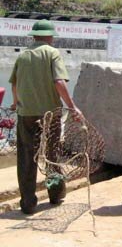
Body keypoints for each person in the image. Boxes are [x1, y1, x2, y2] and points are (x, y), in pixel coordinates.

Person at [9, 19, 82, 214]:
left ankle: (27, 203)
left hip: (26, 114)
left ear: (34, 36)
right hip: (51, 114)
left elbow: (14, 85)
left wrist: (16, 103)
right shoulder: (52, 53)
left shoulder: (23, 56)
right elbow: (59, 81)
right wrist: (73, 107)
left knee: (26, 157)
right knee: (52, 154)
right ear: (49, 36)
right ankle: (55, 195)